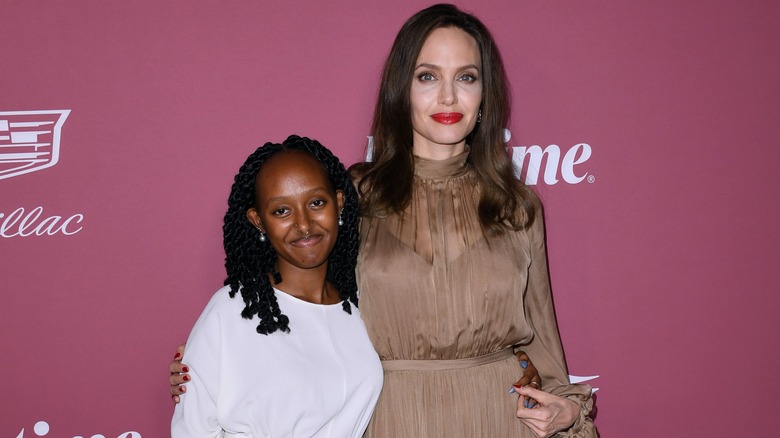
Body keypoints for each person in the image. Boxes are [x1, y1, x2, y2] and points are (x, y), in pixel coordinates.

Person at [173, 4, 596, 436]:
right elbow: (297, 303)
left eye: (466, 77)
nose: (448, 97)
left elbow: (543, 345)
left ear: (485, 96)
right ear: (401, 90)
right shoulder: (356, 196)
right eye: (427, 76)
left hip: (500, 418)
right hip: (392, 419)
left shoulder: (518, 206)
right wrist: (215, 362)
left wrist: (567, 409)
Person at [171, 135, 383, 437]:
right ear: (258, 220)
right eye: (282, 211)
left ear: (339, 203)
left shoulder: (362, 307)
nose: (304, 224)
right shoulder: (232, 311)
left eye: (316, 203)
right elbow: (192, 431)